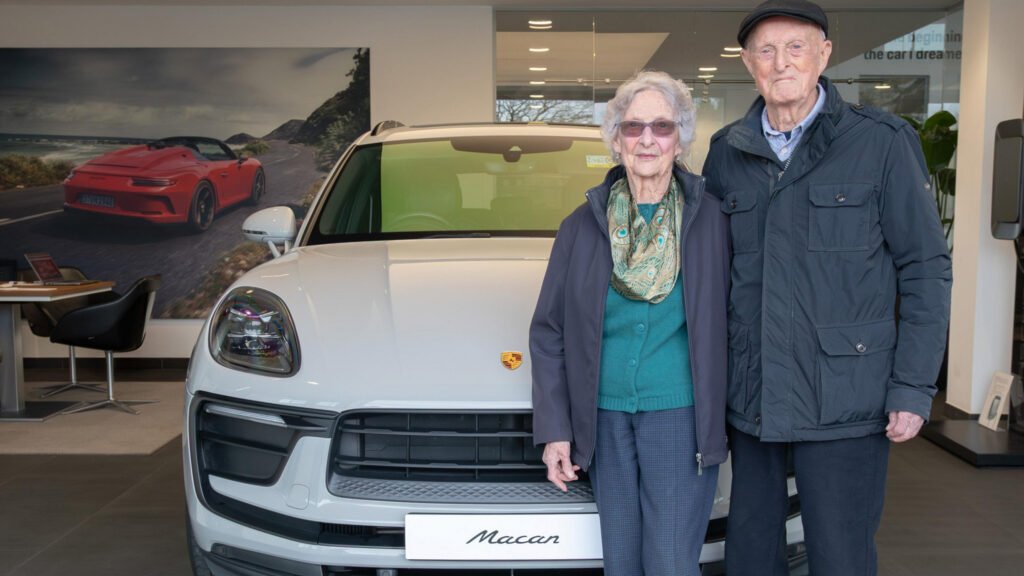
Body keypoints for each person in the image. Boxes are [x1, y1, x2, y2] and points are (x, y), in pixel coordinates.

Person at [702, 1, 953, 575]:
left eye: (796, 47)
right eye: (766, 50)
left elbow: (925, 268)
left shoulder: (882, 142)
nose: (781, 61)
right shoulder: (726, 153)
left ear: (824, 55)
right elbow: (714, 278)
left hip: (847, 399)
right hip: (755, 399)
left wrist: (913, 387)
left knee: (841, 557)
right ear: (748, 63)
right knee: (749, 557)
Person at [530, 70, 729, 576]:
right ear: (615, 139)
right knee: (620, 562)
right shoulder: (581, 227)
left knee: (668, 562)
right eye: (633, 126)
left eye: (661, 127)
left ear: (680, 138)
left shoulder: (711, 222)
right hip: (602, 420)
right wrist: (556, 431)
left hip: (679, 418)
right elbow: (549, 331)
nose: (647, 139)